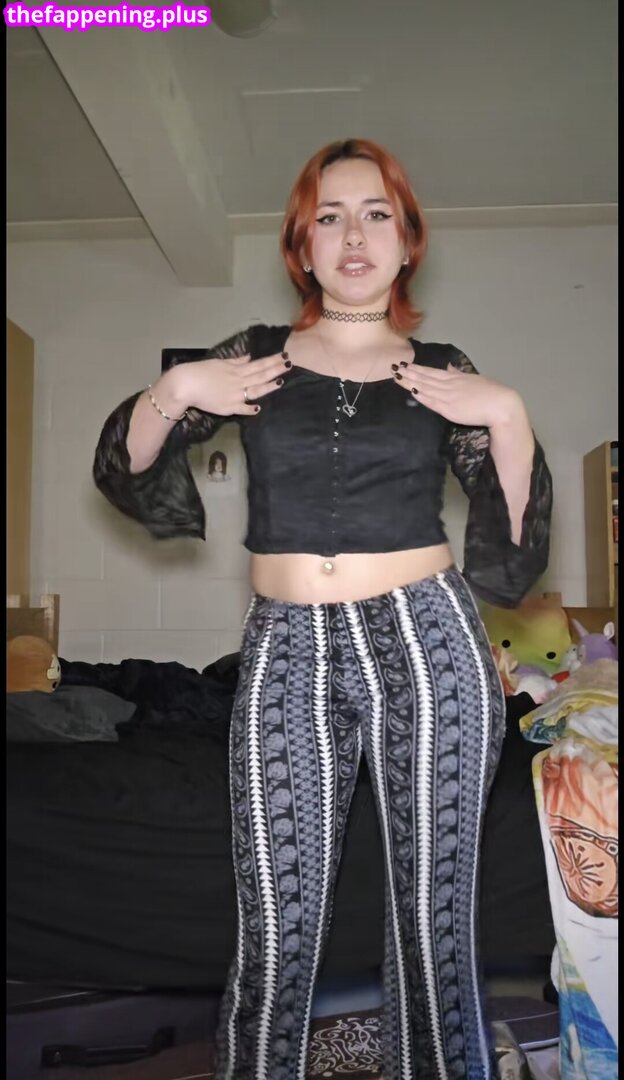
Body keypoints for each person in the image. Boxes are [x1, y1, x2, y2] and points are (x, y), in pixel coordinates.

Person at [93, 138, 552, 1080]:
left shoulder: (442, 370)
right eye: (329, 217)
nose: (353, 235)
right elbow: (129, 468)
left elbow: (513, 537)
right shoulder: (256, 357)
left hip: (429, 640)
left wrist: (507, 412)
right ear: (302, 246)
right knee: (275, 915)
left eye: (376, 214)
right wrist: (176, 387)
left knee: (433, 916)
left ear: (407, 240)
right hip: (286, 644)